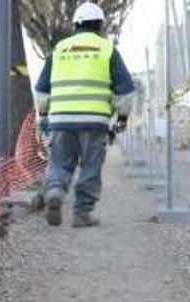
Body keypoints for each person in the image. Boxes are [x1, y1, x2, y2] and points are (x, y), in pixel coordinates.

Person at [34, 1, 135, 227]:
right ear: (100, 25)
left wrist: (43, 117)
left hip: (60, 121)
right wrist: (121, 119)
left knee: (59, 163)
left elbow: (41, 90)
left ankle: (55, 192)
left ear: (75, 25)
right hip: (94, 121)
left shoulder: (59, 49)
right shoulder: (107, 49)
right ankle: (81, 214)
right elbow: (126, 92)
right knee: (90, 166)